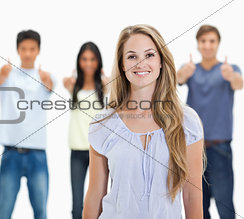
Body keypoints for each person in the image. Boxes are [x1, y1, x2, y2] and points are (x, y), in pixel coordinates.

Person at [82, 24, 204, 219]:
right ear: (123, 65)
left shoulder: (187, 122)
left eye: (149, 55)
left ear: (161, 61)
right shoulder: (103, 124)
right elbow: (95, 194)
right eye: (132, 57)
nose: (141, 64)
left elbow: (192, 195)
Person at [177, 24, 243, 219]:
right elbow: (177, 79)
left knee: (225, 206)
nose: (207, 45)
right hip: (194, 149)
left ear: (218, 44)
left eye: (211, 41)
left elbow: (239, 83)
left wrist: (231, 76)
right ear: (198, 44)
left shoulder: (229, 69)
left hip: (220, 147)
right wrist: (184, 74)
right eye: (203, 41)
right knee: (198, 206)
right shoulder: (190, 69)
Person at [0, 29, 56, 219]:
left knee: (41, 211)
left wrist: (48, 83)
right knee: (4, 210)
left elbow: (50, 87)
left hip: (37, 154)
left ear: (38, 50)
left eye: (32, 48)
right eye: (24, 48)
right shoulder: (7, 75)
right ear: (17, 50)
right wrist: (1, 75)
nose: (28, 53)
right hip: (11, 152)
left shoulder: (45, 77)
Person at [63, 42, 109, 219]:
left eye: (92, 59)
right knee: (76, 204)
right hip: (77, 151)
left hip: (99, 152)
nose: (88, 63)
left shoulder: (105, 86)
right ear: (78, 61)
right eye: (84, 59)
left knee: (101, 200)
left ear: (98, 62)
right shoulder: (72, 85)